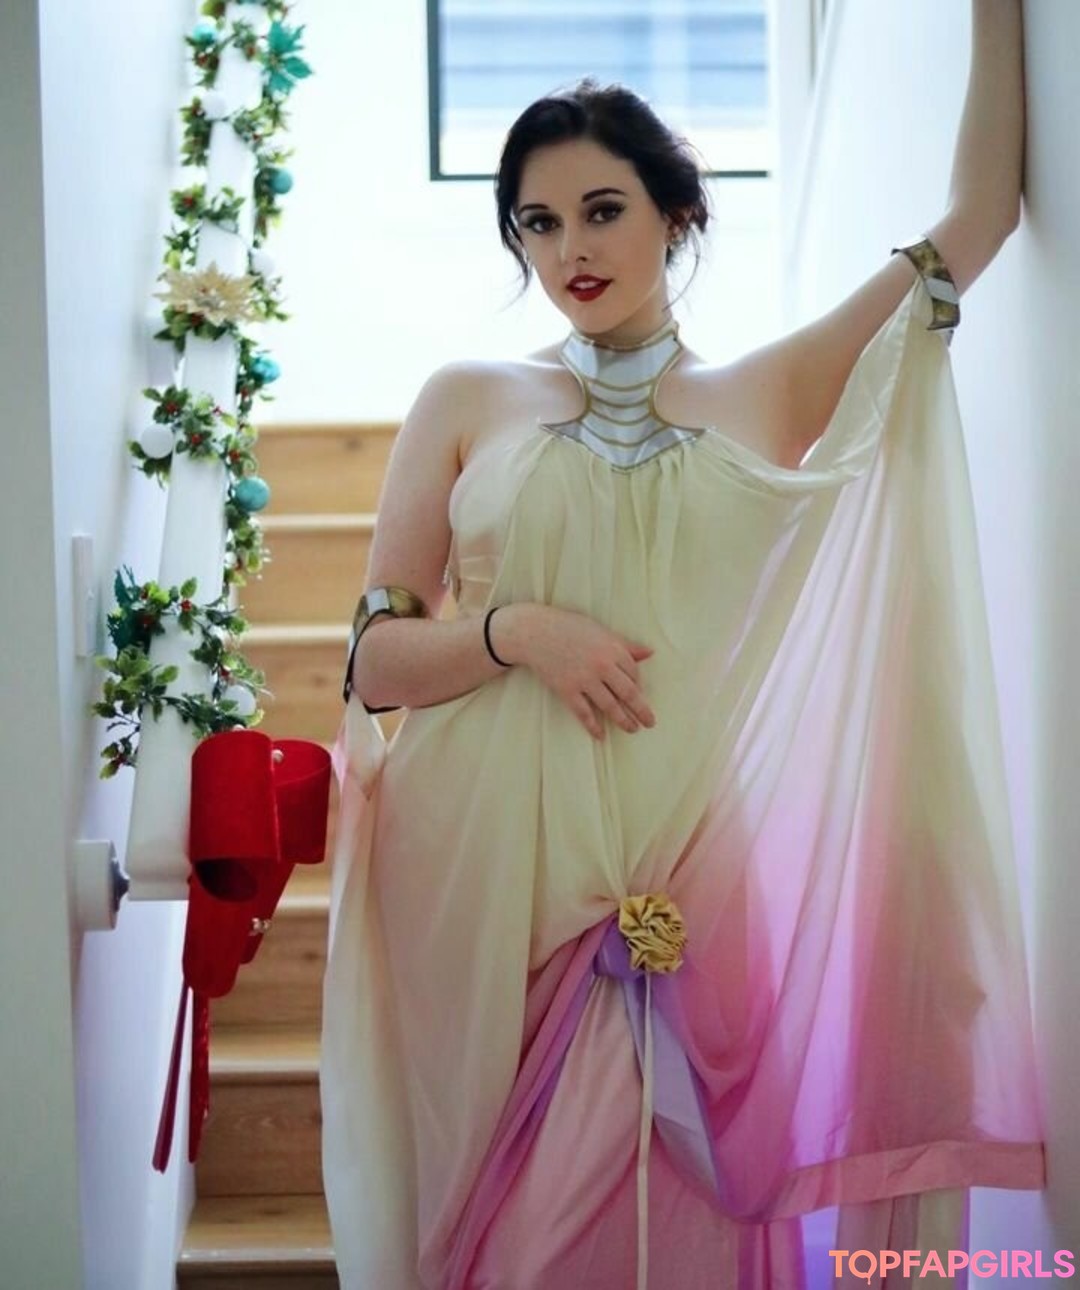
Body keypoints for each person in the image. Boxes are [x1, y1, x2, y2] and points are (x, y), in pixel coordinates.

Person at [320, 6, 1044, 1287]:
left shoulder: (763, 393)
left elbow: (975, 221)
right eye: (537, 223)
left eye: (602, 210)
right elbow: (373, 663)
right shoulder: (468, 398)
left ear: (676, 214)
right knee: (521, 1250)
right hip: (493, 891)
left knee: (696, 1235)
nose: (570, 249)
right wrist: (516, 631)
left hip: (692, 881)